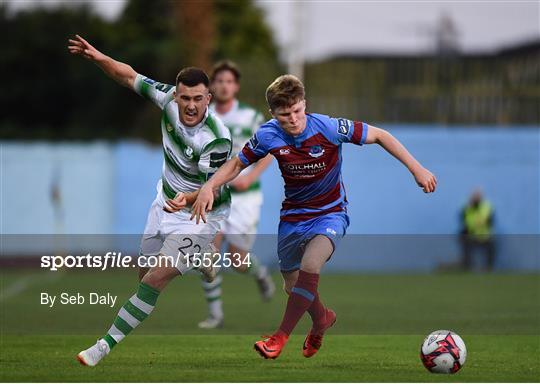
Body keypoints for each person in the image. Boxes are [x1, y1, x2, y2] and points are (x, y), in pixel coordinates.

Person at [191, 74, 437, 359]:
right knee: (291, 285)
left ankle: (278, 338)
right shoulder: (267, 134)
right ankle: (321, 319)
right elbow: (237, 164)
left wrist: (417, 169)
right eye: (285, 115)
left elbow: (380, 135)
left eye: (297, 111)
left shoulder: (330, 127)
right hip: (293, 217)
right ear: (273, 113)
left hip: (331, 213)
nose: (293, 119)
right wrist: (210, 185)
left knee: (311, 264)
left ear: (304, 104)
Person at [68, 35, 232, 366]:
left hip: (200, 216)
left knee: (155, 281)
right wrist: (99, 56)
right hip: (164, 203)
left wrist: (184, 199)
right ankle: (206, 260)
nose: (190, 105)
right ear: (176, 93)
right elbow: (128, 75)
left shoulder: (216, 138)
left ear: (209, 98)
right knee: (143, 277)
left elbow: (207, 191)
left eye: (198, 99)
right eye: (185, 97)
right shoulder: (167, 99)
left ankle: (103, 346)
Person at [196, 61, 275, 329]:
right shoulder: (203, 118)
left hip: (245, 197)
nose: (223, 86)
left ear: (236, 86)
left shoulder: (251, 117)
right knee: (207, 253)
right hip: (215, 195)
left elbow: (271, 151)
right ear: (212, 86)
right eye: (219, 81)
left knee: (238, 261)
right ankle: (215, 314)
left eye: (229, 81)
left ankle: (261, 274)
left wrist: (250, 177)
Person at [459, 189, 495, 271]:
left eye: (477, 197)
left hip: (485, 237)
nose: (476, 199)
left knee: (492, 248)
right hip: (472, 236)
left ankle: (488, 268)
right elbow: (463, 222)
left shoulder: (487, 207)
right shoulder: (466, 208)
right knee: (464, 241)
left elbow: (491, 222)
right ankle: (467, 267)